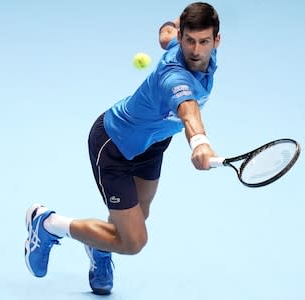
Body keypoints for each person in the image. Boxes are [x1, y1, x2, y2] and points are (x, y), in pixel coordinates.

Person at [24, 2, 221, 295]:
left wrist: (170, 29)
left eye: (203, 42)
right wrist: (200, 142)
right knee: (133, 241)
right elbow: (188, 111)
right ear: (182, 39)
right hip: (114, 144)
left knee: (138, 216)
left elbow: (165, 32)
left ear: (216, 41)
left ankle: (100, 248)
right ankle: (48, 223)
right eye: (189, 41)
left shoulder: (187, 46)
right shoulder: (174, 77)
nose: (195, 50)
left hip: (151, 146)